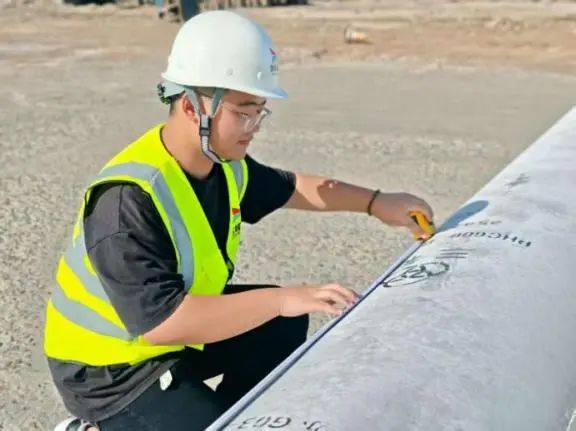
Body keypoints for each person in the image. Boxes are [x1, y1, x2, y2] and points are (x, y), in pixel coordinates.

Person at [45, 10, 434, 431]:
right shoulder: (127, 200)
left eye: (260, 112)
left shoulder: (223, 165)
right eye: (244, 112)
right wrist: (282, 298)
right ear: (192, 106)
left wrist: (377, 202)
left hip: (172, 337)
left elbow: (294, 187)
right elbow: (163, 322)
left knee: (281, 324)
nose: (254, 128)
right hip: (111, 371)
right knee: (279, 308)